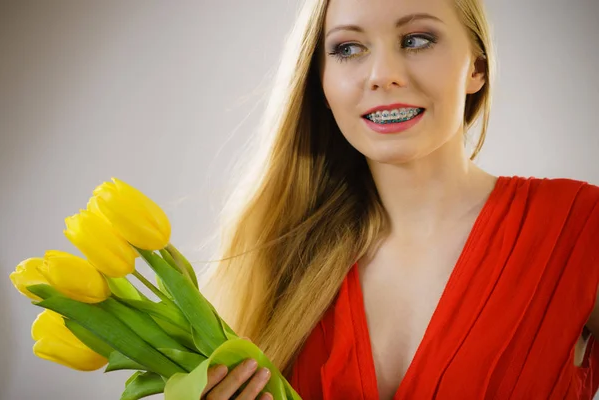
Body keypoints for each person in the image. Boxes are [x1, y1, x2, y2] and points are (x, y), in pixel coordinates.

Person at [197, 0, 599, 398]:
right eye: (348, 49)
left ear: (477, 67)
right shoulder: (279, 256)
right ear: (321, 80)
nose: (382, 75)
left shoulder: (580, 227)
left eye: (417, 39)